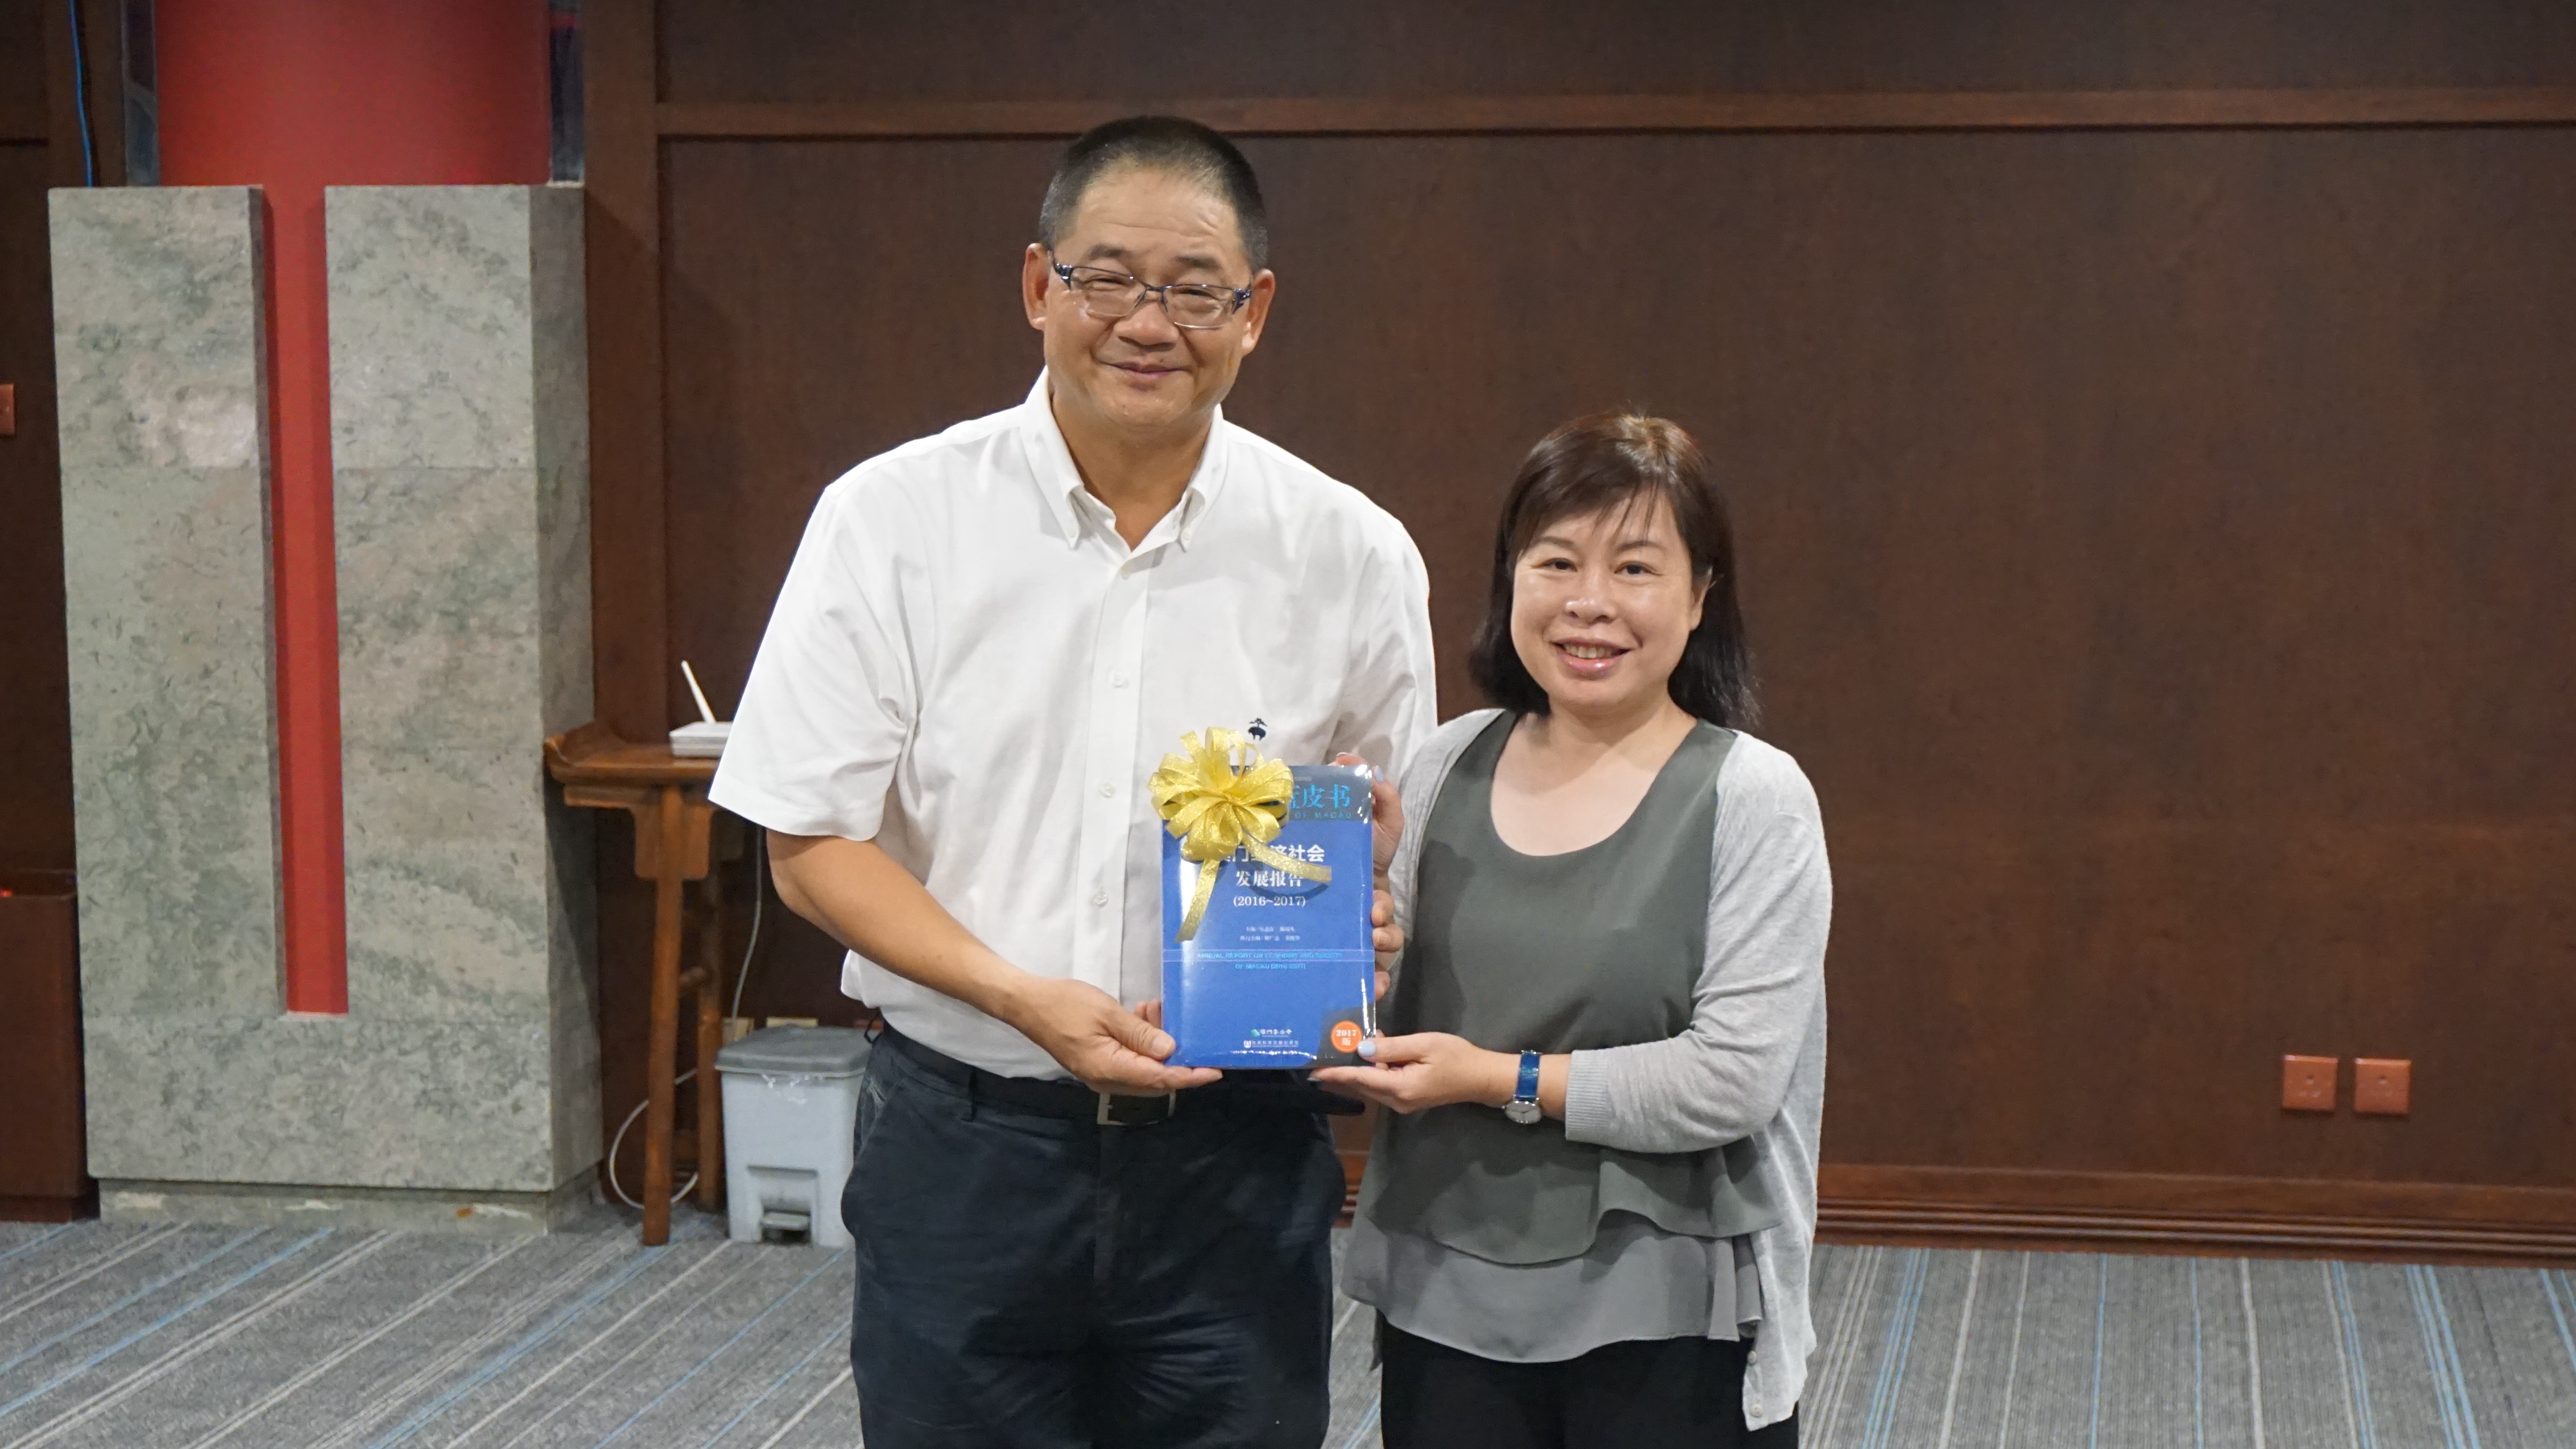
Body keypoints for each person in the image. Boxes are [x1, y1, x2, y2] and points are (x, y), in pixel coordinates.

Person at [711, 116, 1437, 1447]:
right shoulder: (893, 521)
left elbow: (1387, 845)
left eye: (1195, 289)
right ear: (1039, 286)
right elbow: (809, 846)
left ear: (1255, 311)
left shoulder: (1352, 554)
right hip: (966, 1141)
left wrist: (1371, 910)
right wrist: (1019, 998)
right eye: (1108, 279)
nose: (1147, 323)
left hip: (1237, 1161)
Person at [1316, 414, 1829, 1448]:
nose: (1588, 602)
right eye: (1555, 562)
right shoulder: (1444, 762)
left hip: (1669, 1300)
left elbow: (1731, 1081)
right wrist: (1345, 948)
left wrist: (1495, 1078)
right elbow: (1378, 1029)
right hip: (1444, 1281)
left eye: (1634, 567)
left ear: (1700, 595)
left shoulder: (1753, 795)